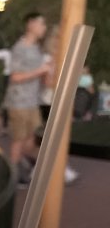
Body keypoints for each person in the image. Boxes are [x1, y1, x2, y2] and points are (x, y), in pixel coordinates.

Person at [3, 12, 50, 186]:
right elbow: (15, 77)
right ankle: (12, 177)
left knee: (32, 139)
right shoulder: (20, 48)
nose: (44, 28)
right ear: (31, 24)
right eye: (42, 24)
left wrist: (46, 74)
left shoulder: (37, 49)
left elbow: (41, 76)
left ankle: (23, 164)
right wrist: (40, 71)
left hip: (32, 101)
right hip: (19, 102)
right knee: (18, 140)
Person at [39, 26, 79, 184]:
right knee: (54, 137)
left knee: (60, 136)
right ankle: (58, 169)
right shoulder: (47, 58)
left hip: (62, 101)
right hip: (49, 101)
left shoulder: (66, 57)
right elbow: (46, 82)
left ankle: (56, 168)